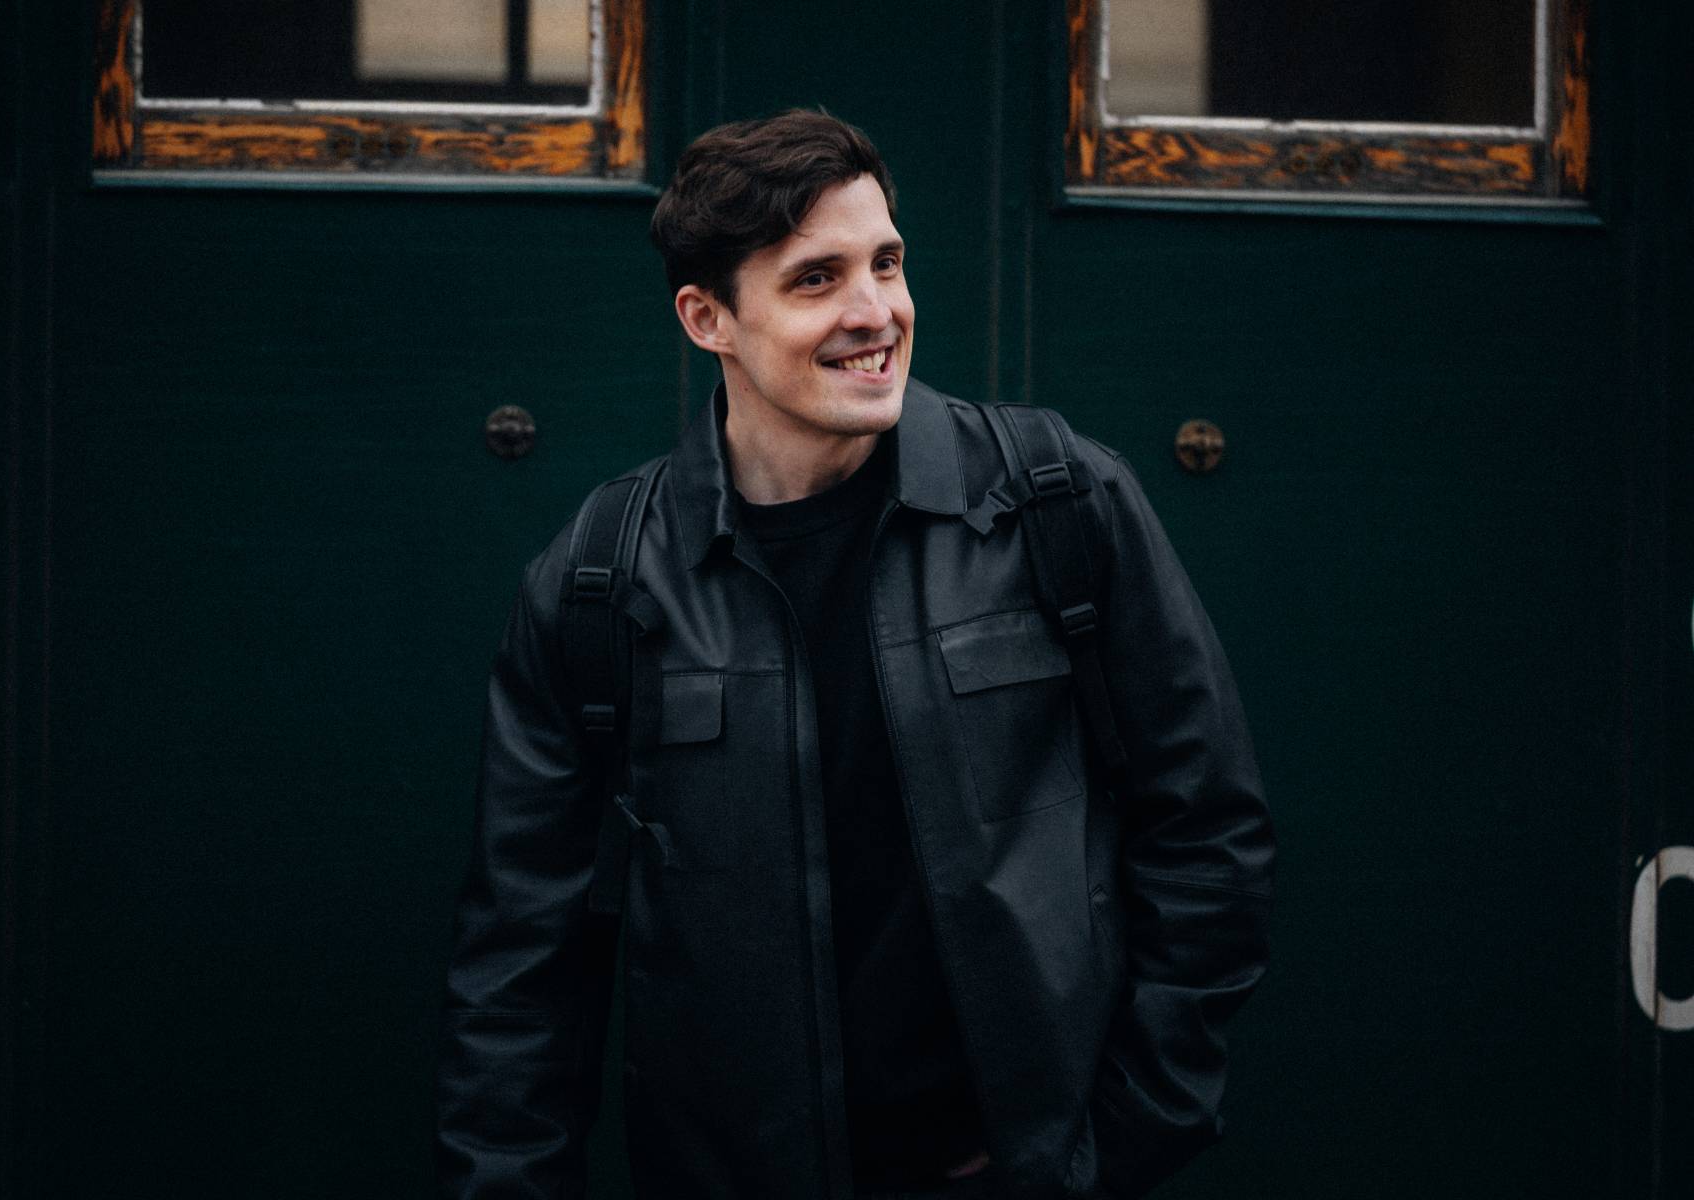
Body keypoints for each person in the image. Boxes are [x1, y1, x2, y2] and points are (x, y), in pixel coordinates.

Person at [436, 109, 1274, 1200]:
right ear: (707, 319)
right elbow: (521, 958)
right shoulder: (600, 580)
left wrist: (1117, 1142)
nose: (876, 311)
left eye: (886, 261)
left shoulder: (1058, 503)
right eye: (816, 279)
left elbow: (1207, 833)